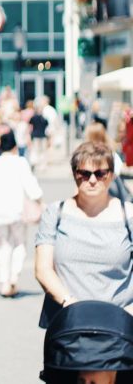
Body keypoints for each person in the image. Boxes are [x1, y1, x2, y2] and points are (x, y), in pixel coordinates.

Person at [35, 141, 133, 384]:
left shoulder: (129, 216)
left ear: (111, 176)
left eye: (100, 173)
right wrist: (70, 303)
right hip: (70, 326)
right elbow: (43, 269)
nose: (92, 180)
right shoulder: (55, 213)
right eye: (84, 173)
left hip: (120, 327)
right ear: (74, 174)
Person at [0, 129, 43, 297]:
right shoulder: (21, 163)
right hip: (17, 211)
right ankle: (14, 277)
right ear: (14, 146)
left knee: (3, 245)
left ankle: (4, 281)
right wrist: (39, 201)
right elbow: (31, 186)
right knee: (19, 243)